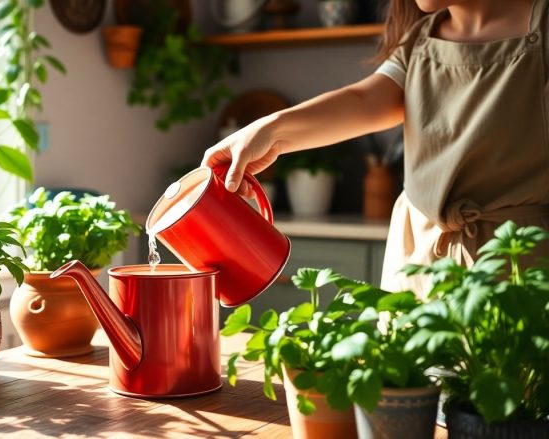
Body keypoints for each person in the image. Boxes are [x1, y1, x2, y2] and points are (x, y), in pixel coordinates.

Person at [202, 0, 549, 294]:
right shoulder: (418, 41)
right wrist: (270, 129)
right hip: (418, 263)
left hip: (515, 265)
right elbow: (365, 100)